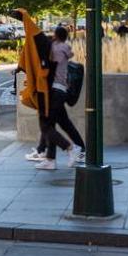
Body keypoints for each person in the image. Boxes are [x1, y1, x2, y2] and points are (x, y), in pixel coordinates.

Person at [31, 25, 84, 168]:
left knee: (46, 125)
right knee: (60, 123)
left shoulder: (54, 49)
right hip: (61, 91)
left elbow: (46, 65)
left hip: (53, 91)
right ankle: (50, 159)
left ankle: (71, 148)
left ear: (56, 35)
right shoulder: (63, 48)